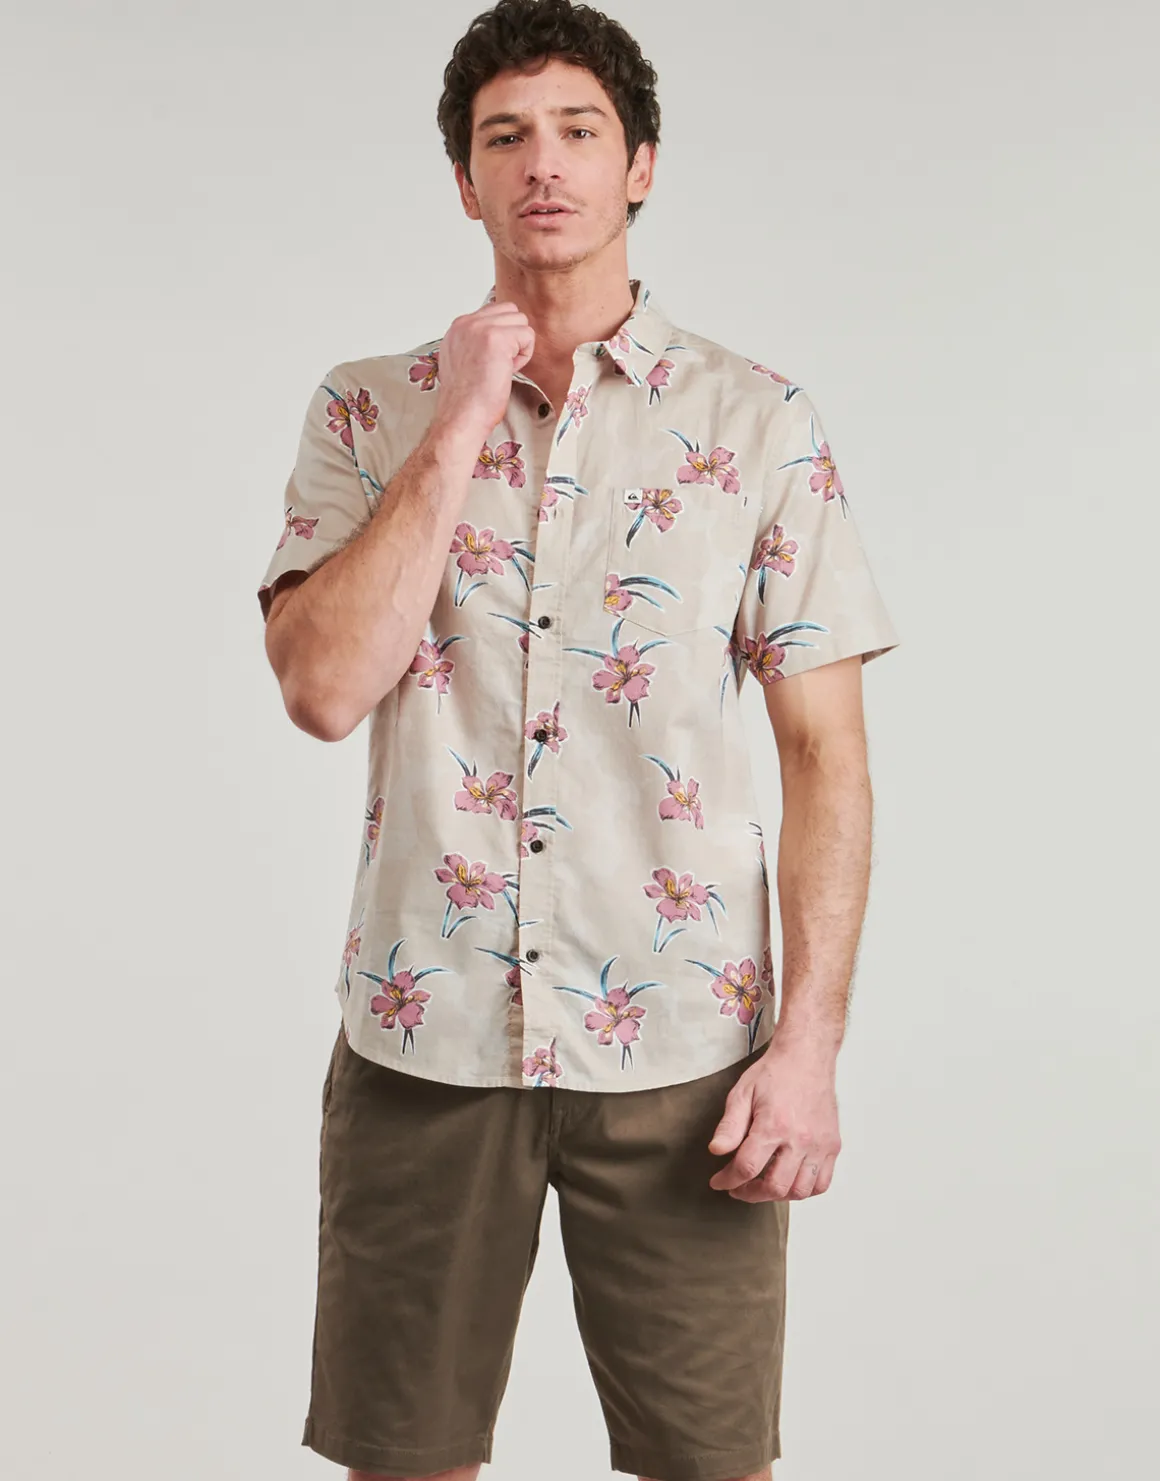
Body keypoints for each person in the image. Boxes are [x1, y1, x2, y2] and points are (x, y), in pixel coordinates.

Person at [257, 2, 900, 1478]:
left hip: (685, 1056)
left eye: (578, 130)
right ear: (464, 183)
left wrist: (809, 1049)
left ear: (640, 165)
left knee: (709, 1465)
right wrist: (460, 419)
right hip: (425, 1036)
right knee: (404, 1460)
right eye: (505, 137)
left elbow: (828, 760)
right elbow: (322, 689)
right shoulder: (368, 411)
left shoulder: (757, 422)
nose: (542, 163)